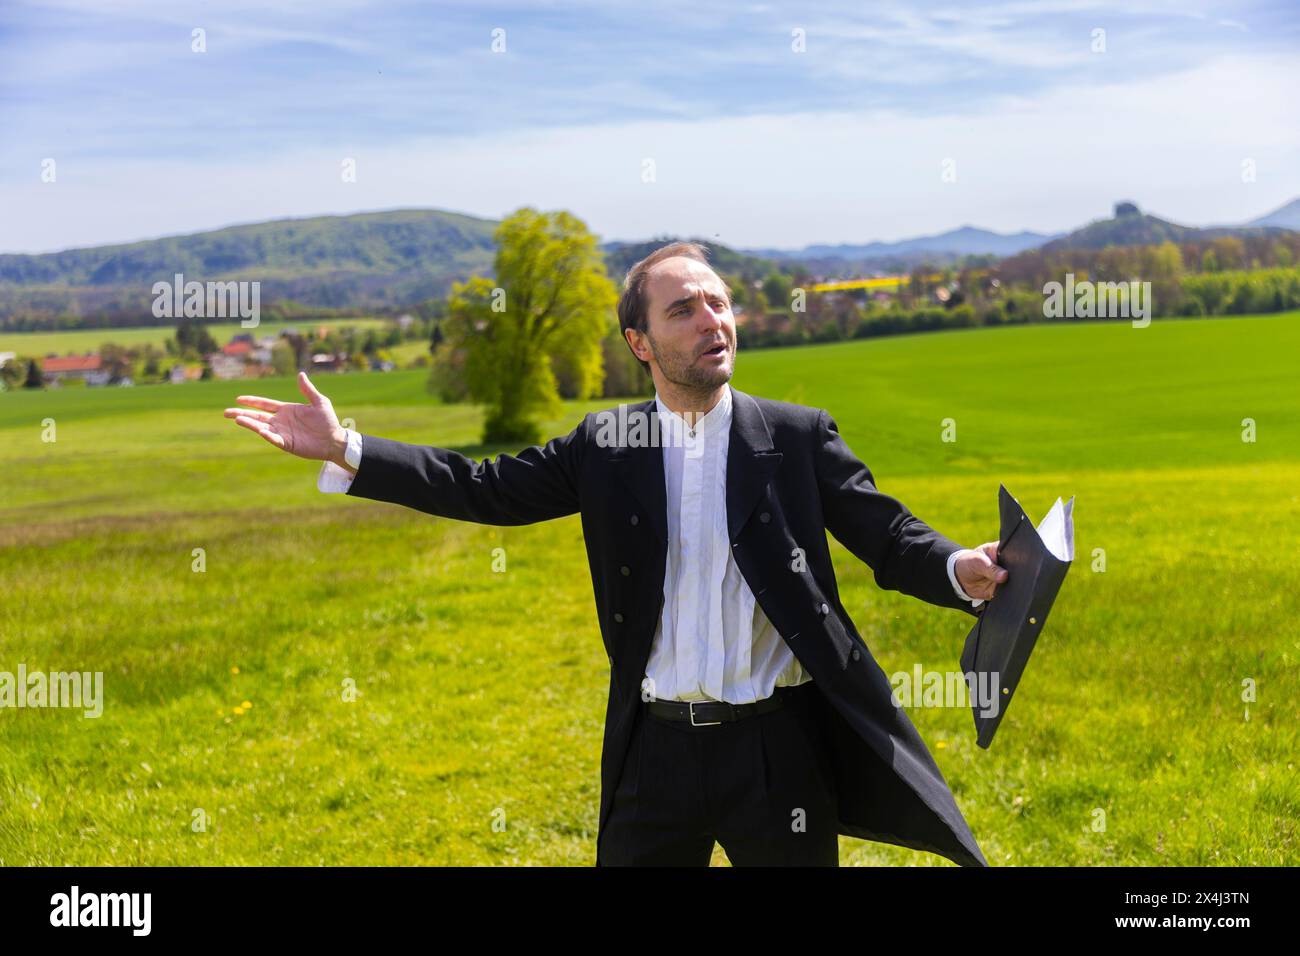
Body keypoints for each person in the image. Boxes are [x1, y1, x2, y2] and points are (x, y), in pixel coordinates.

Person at [224, 241, 1007, 866]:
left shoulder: (795, 436)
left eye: (719, 303)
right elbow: (484, 488)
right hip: (653, 751)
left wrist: (953, 568)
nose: (712, 321)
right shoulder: (607, 444)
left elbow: (886, 532)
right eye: (684, 310)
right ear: (640, 341)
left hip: (779, 752)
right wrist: (350, 448)